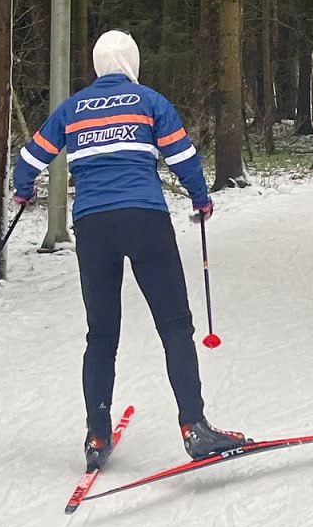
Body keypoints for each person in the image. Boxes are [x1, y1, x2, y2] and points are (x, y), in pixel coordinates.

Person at [13, 29, 249, 470]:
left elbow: (29, 159)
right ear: (132, 63)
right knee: (174, 325)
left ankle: (96, 435)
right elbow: (182, 157)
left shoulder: (72, 108)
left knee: (101, 334)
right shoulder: (150, 102)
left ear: (98, 65)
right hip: (145, 219)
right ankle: (194, 427)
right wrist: (200, 198)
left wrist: (23, 190)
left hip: (93, 226)